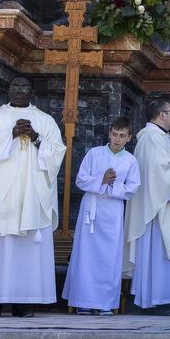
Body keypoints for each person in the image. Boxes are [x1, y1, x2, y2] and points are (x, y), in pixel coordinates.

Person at [0, 76, 66, 317]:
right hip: (0, 196)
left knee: (25, 251)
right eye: (15, 86)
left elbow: (57, 154)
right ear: (8, 90)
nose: (20, 90)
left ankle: (23, 302)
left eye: (25, 86)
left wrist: (36, 138)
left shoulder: (45, 120)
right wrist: (9, 134)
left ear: (31, 90)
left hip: (31, 197)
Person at [62, 116, 141, 315]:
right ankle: (84, 301)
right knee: (87, 256)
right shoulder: (94, 154)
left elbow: (132, 189)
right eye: (114, 134)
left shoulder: (130, 161)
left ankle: (105, 303)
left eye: (122, 136)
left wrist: (112, 184)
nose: (117, 139)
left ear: (129, 138)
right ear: (109, 133)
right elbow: (80, 180)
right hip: (91, 210)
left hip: (113, 213)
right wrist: (101, 180)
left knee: (109, 257)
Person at [125, 100, 170, 313]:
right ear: (161, 115)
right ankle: (156, 300)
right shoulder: (151, 138)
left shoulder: (159, 138)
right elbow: (157, 172)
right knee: (159, 251)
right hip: (157, 210)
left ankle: (168, 298)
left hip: (164, 204)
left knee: (166, 251)